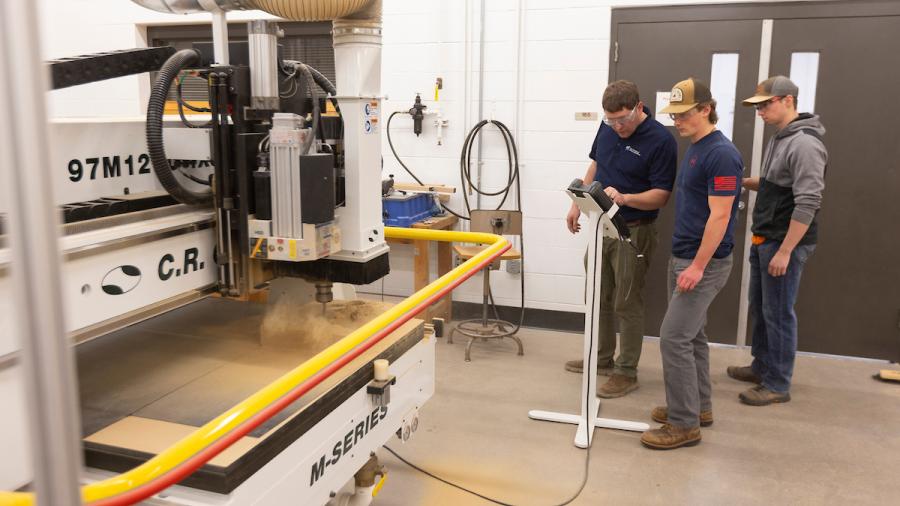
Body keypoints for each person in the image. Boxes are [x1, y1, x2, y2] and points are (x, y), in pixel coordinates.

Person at [641, 78, 743, 450]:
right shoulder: (698, 147)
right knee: (692, 334)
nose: (677, 122)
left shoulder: (722, 154)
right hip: (684, 256)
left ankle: (684, 424)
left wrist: (698, 266)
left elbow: (720, 216)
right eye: (674, 115)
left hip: (704, 263)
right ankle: (698, 407)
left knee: (673, 338)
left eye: (684, 114)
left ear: (706, 109)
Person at [565, 80, 677, 398]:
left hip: (633, 229)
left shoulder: (661, 140)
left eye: (623, 119)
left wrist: (626, 198)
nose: (617, 126)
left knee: (626, 301)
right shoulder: (607, 128)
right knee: (597, 294)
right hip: (600, 225)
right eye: (610, 120)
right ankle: (601, 358)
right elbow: (596, 164)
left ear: (639, 108)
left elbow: (661, 196)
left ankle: (626, 372)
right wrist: (577, 201)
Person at [728, 76, 827, 406]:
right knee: (761, 307)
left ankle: (778, 383)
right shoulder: (780, 138)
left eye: (765, 105)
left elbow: (808, 202)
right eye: (757, 107)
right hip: (765, 237)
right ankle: (762, 367)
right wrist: (744, 182)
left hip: (784, 243)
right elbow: (775, 184)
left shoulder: (805, 145)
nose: (760, 112)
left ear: (788, 100)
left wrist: (786, 251)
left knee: (779, 313)